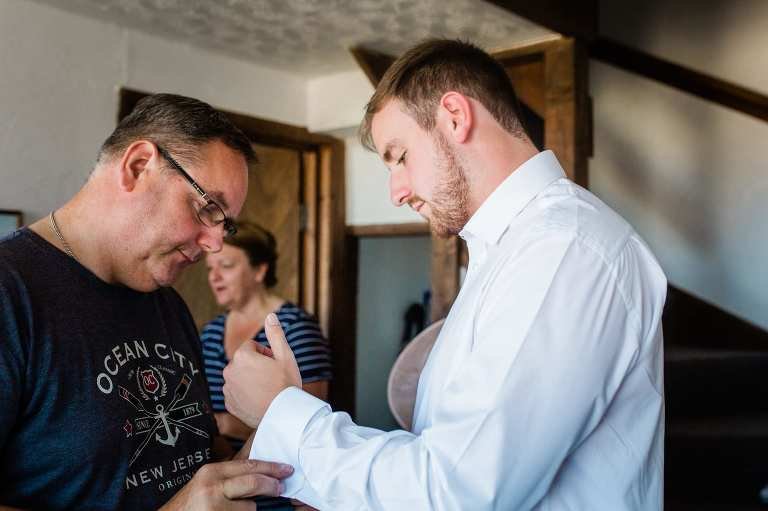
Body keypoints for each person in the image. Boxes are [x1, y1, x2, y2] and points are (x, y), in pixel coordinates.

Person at [223, 39, 667, 510]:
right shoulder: (510, 251)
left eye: (399, 156)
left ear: (455, 116)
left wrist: (285, 412)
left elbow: (457, 491)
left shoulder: (563, 248)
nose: (396, 191)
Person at [0, 93, 293, 510]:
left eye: (224, 225)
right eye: (207, 207)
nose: (213, 244)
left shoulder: (166, 302)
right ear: (138, 166)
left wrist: (260, 454)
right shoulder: (11, 294)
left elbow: (189, 457)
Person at [202, 221, 332, 510]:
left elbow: (309, 423)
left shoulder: (295, 328)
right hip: (224, 494)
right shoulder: (210, 333)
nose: (215, 277)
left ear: (260, 270)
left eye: (226, 265)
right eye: (210, 269)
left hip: (283, 492)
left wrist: (220, 422)